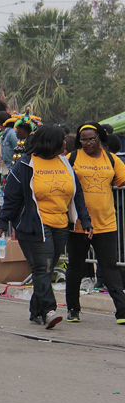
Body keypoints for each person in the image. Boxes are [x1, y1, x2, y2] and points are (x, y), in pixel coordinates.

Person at [0, 125, 92, 329]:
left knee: (46, 270)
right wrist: (3, 222)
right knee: (43, 267)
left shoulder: (65, 163)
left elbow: (77, 194)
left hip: (60, 225)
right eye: (61, 141)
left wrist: (86, 221)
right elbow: (11, 199)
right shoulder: (24, 165)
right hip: (33, 226)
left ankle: (35, 311)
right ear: (51, 144)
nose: (65, 144)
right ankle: (49, 310)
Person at [65, 123, 125, 324]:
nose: (88, 143)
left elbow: (121, 180)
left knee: (109, 267)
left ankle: (122, 312)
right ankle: (73, 309)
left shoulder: (111, 159)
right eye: (84, 140)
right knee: (76, 267)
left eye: (92, 139)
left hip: (106, 222)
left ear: (100, 138)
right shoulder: (72, 158)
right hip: (79, 224)